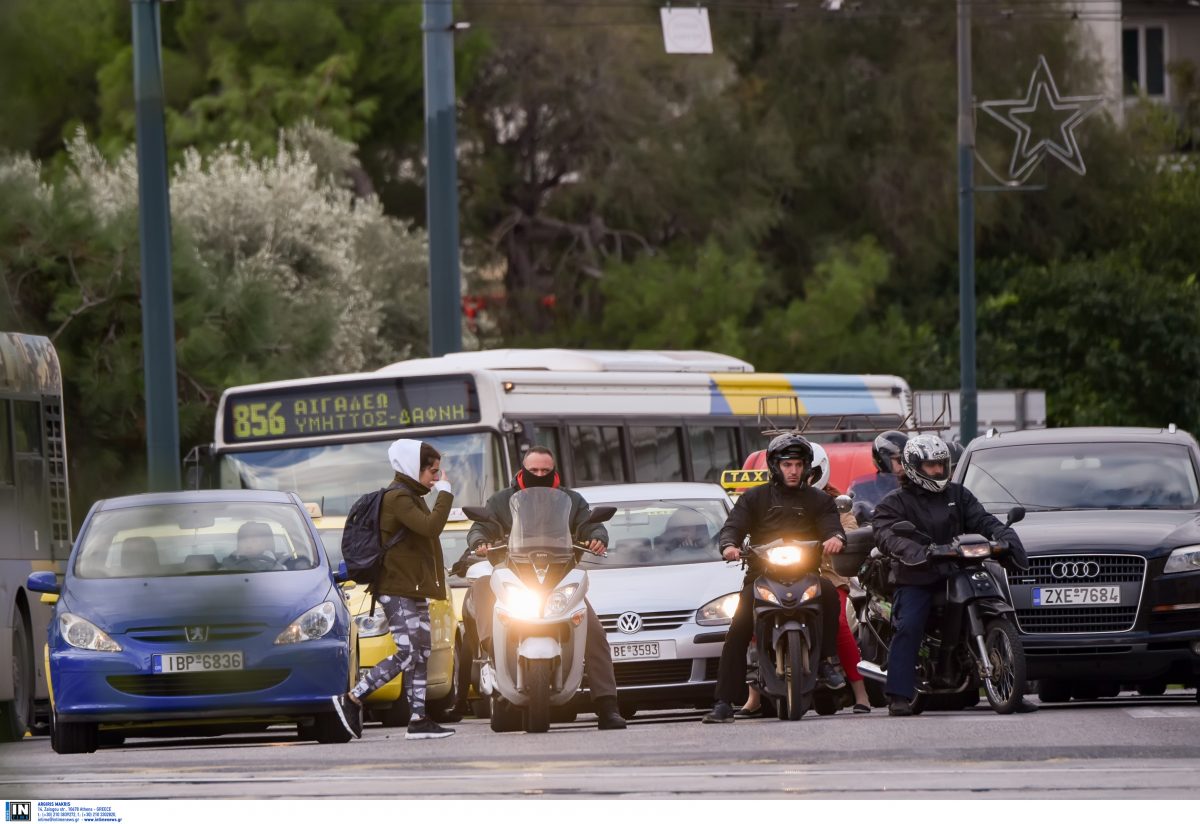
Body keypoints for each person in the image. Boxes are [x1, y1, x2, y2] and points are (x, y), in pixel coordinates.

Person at [464, 446, 627, 730]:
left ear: (554, 470)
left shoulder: (571, 500)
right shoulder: (501, 500)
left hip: (559, 577)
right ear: (523, 469)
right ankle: (494, 660)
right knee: (486, 598)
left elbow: (590, 525)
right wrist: (480, 541)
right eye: (534, 470)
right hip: (515, 576)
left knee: (594, 633)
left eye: (545, 471)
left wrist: (597, 537)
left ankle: (607, 706)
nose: (539, 475)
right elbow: (481, 526)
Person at [872, 433, 1034, 717]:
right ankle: (898, 693)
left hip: (960, 569)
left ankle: (1012, 688)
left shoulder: (959, 494)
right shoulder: (894, 503)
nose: (938, 471)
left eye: (941, 464)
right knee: (909, 623)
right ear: (913, 467)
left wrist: (1006, 539)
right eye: (930, 466)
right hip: (919, 576)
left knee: (998, 601)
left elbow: (984, 520)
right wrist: (922, 552)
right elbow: (888, 536)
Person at [703, 433, 848, 724]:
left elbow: (832, 526)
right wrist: (729, 545)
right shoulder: (754, 497)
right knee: (739, 626)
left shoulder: (820, 500)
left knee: (830, 593)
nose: (793, 470)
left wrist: (835, 538)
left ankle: (825, 663)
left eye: (798, 464)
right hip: (761, 575)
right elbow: (733, 526)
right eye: (787, 464)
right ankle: (723, 702)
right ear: (775, 466)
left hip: (806, 575)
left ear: (807, 467)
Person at [331, 439, 456, 741]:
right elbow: (430, 527)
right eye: (432, 472)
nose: (436, 478)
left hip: (413, 587)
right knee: (407, 651)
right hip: (396, 588)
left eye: (438, 473)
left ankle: (418, 718)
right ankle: (352, 698)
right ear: (415, 468)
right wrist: (446, 496)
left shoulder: (412, 495)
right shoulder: (398, 498)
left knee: (422, 650)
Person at [736, 443, 873, 717]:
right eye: (790, 466)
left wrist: (836, 541)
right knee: (752, 615)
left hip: (827, 572)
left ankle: (860, 691)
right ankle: (753, 696)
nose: (798, 474)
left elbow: (845, 529)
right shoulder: (774, 499)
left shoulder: (831, 502)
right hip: (782, 570)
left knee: (838, 622)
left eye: (803, 468)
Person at [848, 430, 908, 522]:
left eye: (908, 460)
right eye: (900, 460)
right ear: (883, 459)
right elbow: (852, 517)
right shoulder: (861, 487)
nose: (905, 465)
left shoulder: (918, 484)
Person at [221, 522, 285, 572]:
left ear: (263, 544)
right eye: (244, 541)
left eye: (254, 541)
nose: (248, 545)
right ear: (239, 544)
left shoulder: (273, 563)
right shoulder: (230, 560)